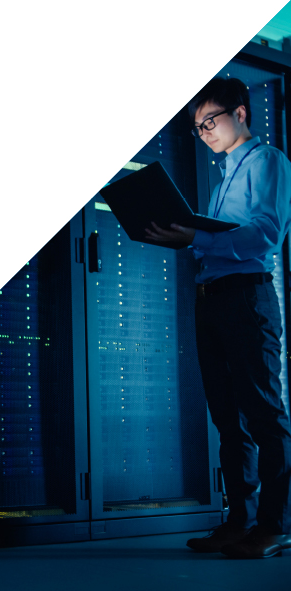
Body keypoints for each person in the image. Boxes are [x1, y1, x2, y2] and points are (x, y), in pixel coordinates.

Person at [145, 76, 291, 559]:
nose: (204, 131)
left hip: (245, 298)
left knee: (264, 415)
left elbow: (264, 236)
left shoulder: (266, 161)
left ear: (241, 113)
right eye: (197, 126)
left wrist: (197, 238)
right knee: (229, 419)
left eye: (211, 120)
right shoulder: (224, 175)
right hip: (213, 297)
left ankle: (277, 524)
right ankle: (240, 522)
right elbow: (218, 240)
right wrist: (181, 236)